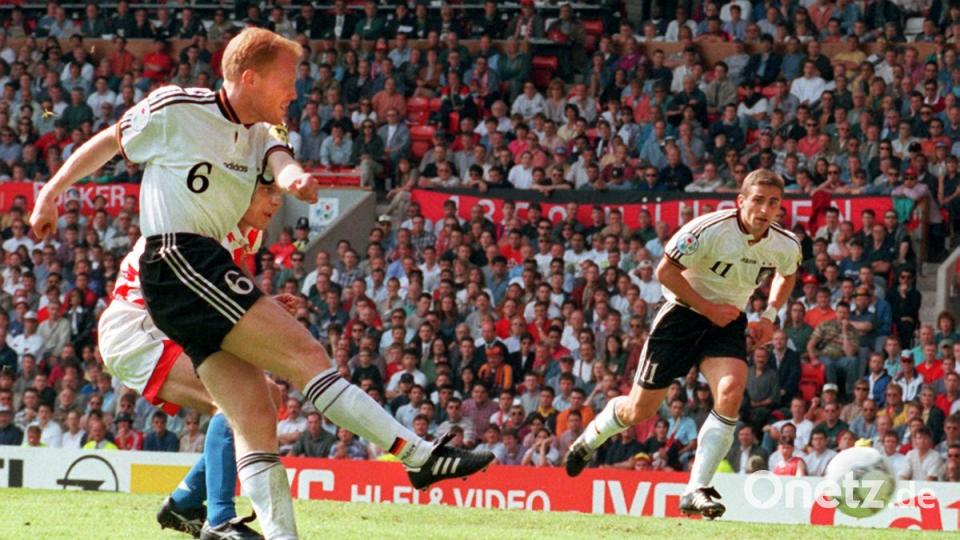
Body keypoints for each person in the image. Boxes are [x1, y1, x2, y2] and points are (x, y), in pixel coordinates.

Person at [31, 28, 494, 540]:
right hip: (174, 261)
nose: (295, 91)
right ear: (250, 78)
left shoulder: (261, 135)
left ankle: (270, 533)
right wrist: (50, 194)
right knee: (307, 357)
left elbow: (279, 158)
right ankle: (417, 455)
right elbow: (110, 141)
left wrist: (293, 178)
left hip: (190, 277)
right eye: (287, 80)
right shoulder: (177, 108)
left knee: (255, 411)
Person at [566, 169, 801, 519]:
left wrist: (768, 315)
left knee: (731, 390)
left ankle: (696, 489)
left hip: (727, 321)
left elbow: (788, 271)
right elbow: (665, 271)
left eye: (773, 203)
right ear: (741, 201)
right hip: (681, 315)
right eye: (758, 200)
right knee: (638, 411)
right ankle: (590, 438)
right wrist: (707, 308)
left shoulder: (785, 243)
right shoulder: (709, 229)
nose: (765, 209)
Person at [97, 177, 284, 538]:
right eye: (266, 190)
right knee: (235, 402)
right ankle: (220, 520)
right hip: (137, 329)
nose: (276, 200)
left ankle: (184, 502)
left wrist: (262, 305)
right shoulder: (199, 224)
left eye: (279, 192)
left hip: (167, 325)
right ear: (239, 190)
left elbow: (231, 279)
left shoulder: (242, 231)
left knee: (268, 397)